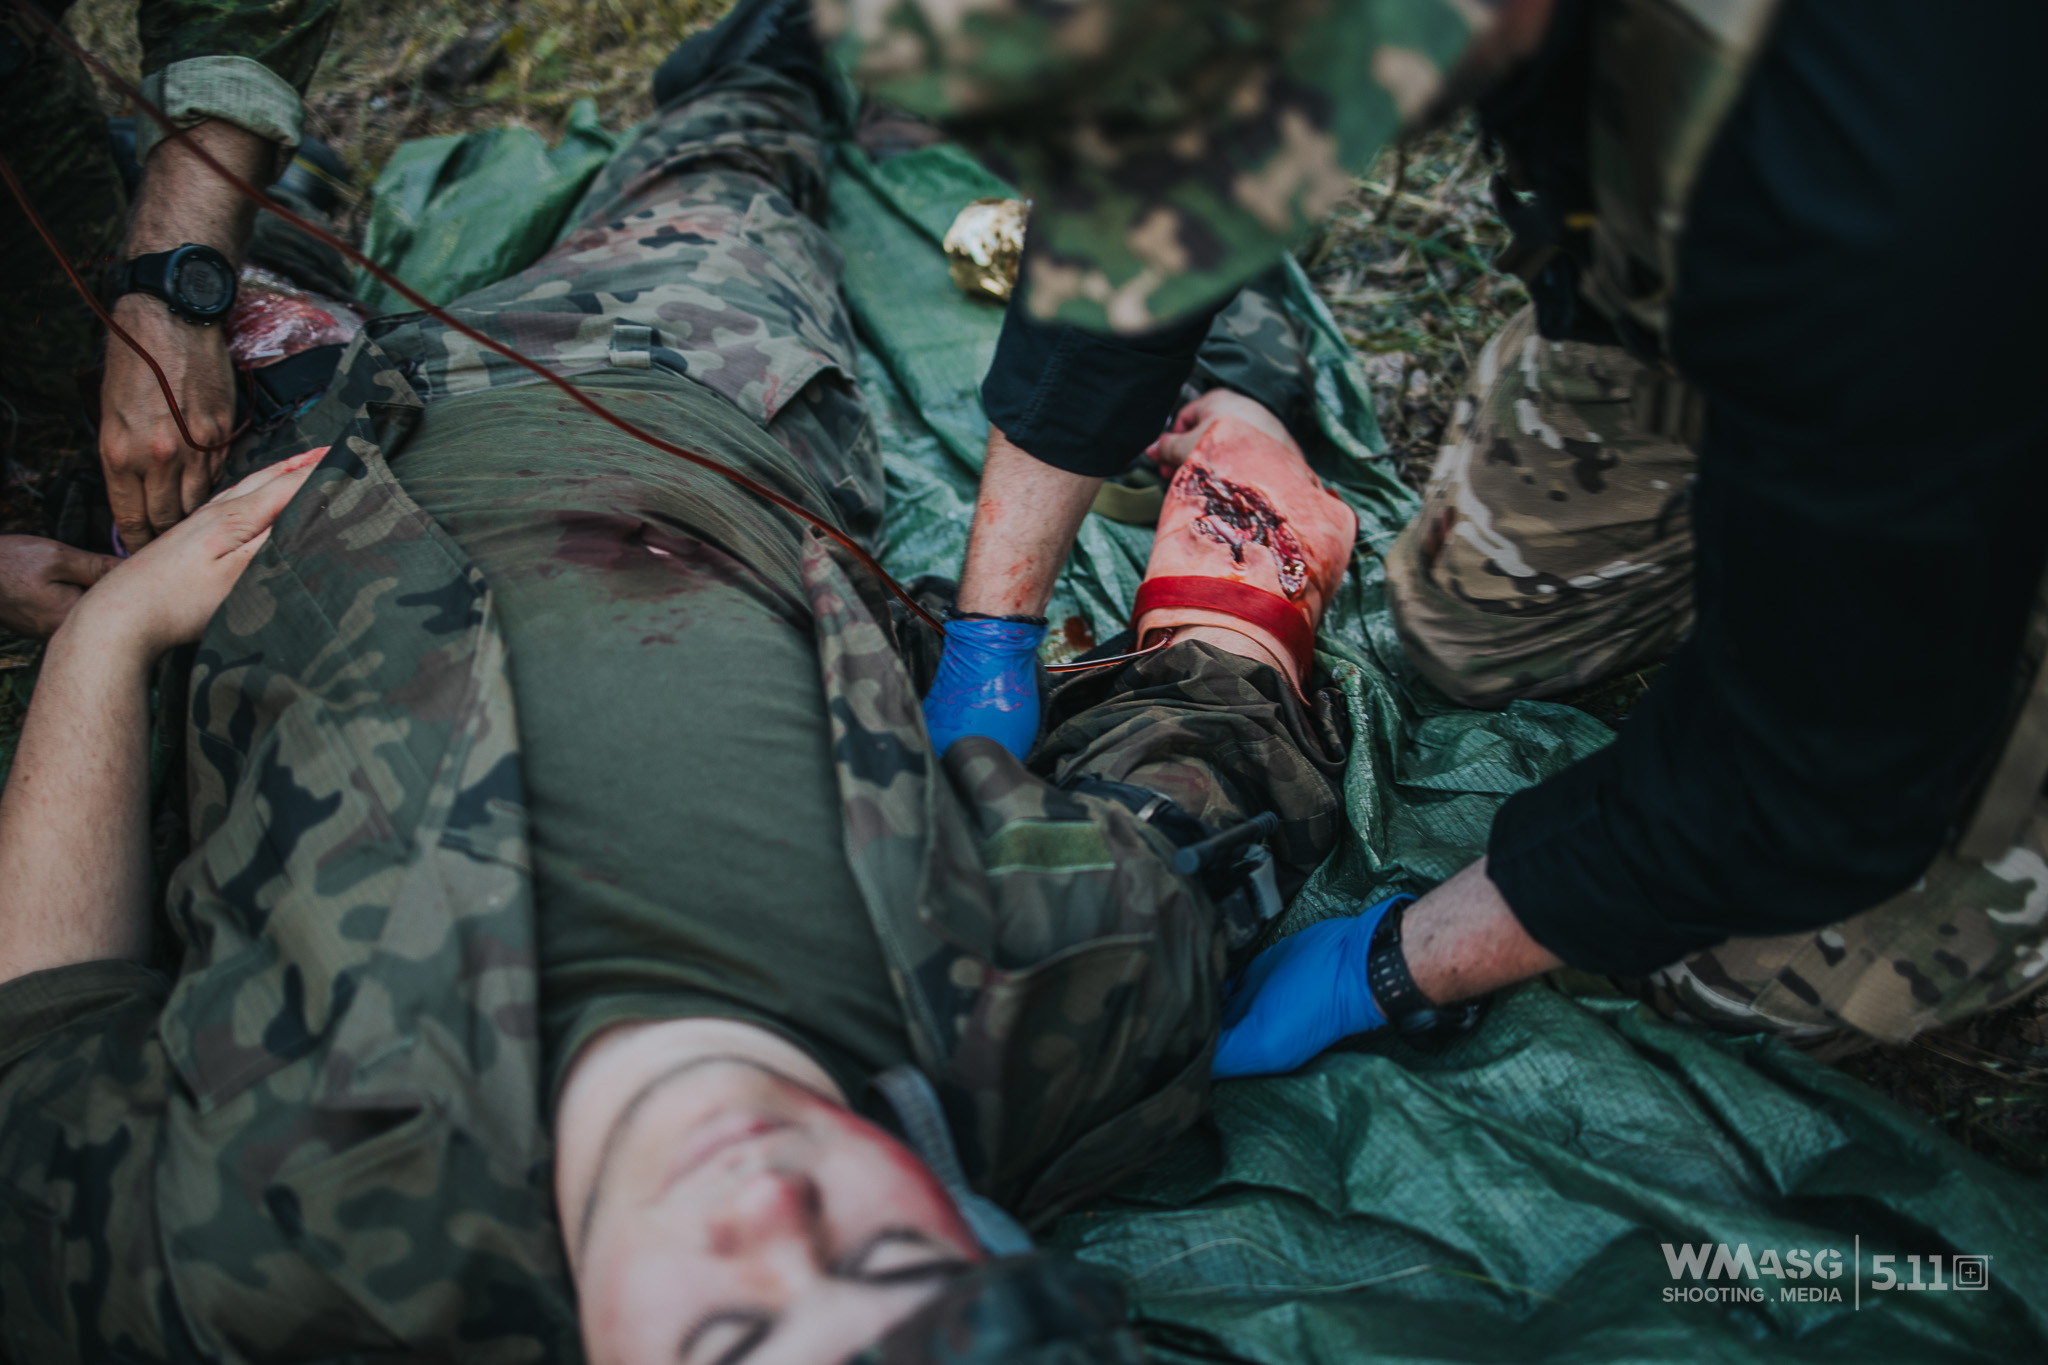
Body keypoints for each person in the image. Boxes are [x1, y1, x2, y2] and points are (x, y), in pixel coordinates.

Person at [0, 12, 1357, 1358]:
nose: (767, 1201)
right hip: (675, 381)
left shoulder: (267, 1257)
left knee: (97, 286)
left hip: (270, 478)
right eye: (886, 1249)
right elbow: (1218, 739)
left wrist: (108, 640)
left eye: (723, 1334)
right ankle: (762, 61)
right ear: (975, 1235)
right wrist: (1243, 514)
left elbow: (38, 1053)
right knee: (725, 178)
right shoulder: (1054, 1015)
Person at [827, 0, 2048, 1067]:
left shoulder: (1887, 195)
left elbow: (1810, 774)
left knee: (1741, 966)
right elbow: (1137, 224)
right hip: (1689, 267)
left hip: (1951, 338)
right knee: (1461, 634)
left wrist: (1396, 965)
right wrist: (992, 628)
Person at [0, 0, 338, 566]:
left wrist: (167, 296)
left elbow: (239, 14)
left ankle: (267, 210)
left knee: (76, 365)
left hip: (18, 85)